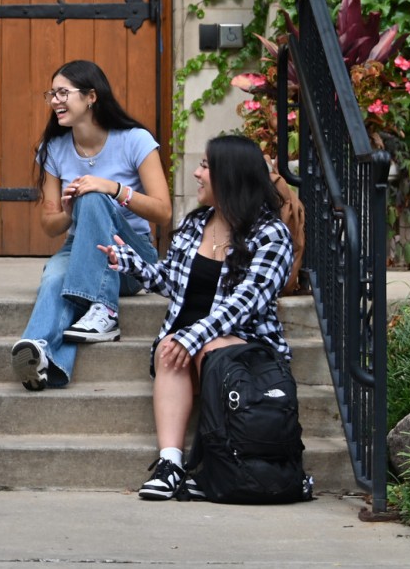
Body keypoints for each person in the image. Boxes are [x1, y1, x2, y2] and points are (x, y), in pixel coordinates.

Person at [99, 133, 294, 500]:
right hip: (189, 342)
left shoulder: (271, 235)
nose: (197, 174)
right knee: (171, 347)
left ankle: (217, 463)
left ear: (229, 174)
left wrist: (194, 336)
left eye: (205, 166)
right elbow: (170, 281)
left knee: (207, 349)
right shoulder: (195, 225)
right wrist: (131, 264)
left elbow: (245, 303)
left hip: (246, 346)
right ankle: (171, 463)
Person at [9, 60, 172, 392]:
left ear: (91, 97)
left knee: (95, 196)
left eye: (63, 92)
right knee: (56, 274)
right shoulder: (53, 148)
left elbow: (163, 212)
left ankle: (106, 309)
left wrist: (112, 189)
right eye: (51, 93)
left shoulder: (135, 140)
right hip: (79, 247)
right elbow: (50, 225)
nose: (55, 100)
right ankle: (42, 355)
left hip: (131, 258)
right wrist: (71, 210)